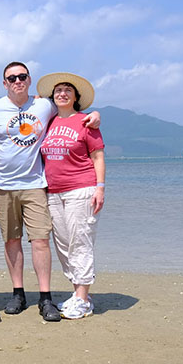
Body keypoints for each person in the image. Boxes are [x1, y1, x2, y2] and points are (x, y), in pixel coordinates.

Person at [0, 62, 99, 322]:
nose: (17, 81)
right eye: (11, 78)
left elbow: (71, 113)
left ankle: (45, 297)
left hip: (36, 183)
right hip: (2, 184)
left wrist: (95, 114)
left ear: (29, 80)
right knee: (11, 240)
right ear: (4, 83)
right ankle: (18, 293)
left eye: (22, 76)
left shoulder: (44, 106)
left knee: (41, 240)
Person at [37, 72, 105, 320]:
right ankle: (79, 293)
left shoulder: (86, 121)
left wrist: (100, 187)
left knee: (80, 241)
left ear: (76, 96)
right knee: (63, 244)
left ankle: (83, 298)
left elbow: (97, 156)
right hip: (53, 192)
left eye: (67, 90)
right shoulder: (49, 122)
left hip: (81, 189)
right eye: (58, 90)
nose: (62, 93)